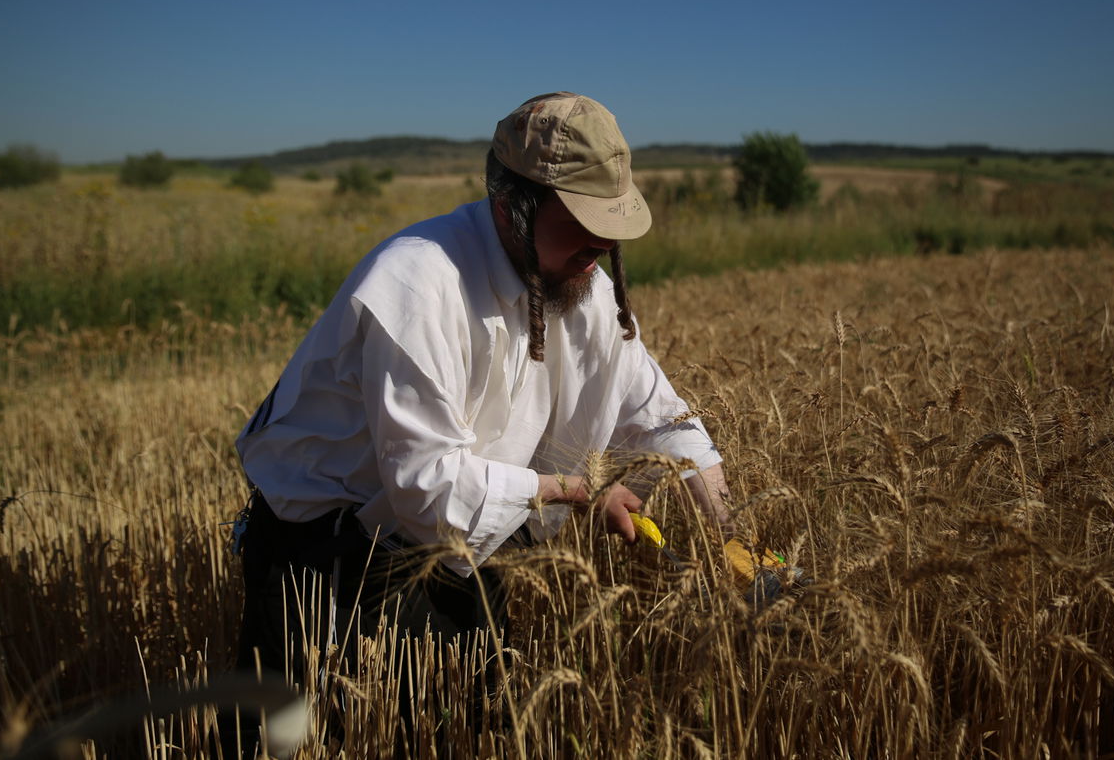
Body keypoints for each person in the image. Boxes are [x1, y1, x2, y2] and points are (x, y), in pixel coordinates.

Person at [226, 92, 734, 752]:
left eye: (609, 227)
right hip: (327, 558)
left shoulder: (582, 284)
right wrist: (580, 491)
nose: (600, 247)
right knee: (304, 741)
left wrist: (731, 538)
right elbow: (426, 487)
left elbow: (664, 420)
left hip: (455, 545)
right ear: (511, 205)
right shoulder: (415, 283)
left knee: (467, 728)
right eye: (582, 223)